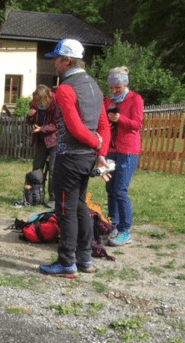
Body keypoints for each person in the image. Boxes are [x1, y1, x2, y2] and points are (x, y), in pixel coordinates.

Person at [39, 38, 110, 276]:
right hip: (88, 157)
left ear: (67, 60)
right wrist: (100, 152)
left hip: (70, 157)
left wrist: (96, 143)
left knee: (66, 210)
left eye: (57, 60)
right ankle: (85, 259)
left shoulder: (66, 89)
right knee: (80, 206)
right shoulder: (94, 87)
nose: (54, 64)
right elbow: (104, 125)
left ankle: (67, 262)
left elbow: (74, 128)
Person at [103, 66, 144, 247]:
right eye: (111, 87)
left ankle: (125, 230)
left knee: (120, 191)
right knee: (110, 190)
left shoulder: (135, 99)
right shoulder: (107, 101)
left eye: (117, 87)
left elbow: (137, 124)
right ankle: (113, 224)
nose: (113, 91)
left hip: (128, 150)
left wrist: (120, 119)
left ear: (125, 84)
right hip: (111, 150)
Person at [27, 84, 58, 208]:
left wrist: (42, 128)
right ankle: (35, 195)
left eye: (39, 100)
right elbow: (31, 121)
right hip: (40, 140)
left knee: (53, 170)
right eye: (36, 101)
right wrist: (31, 116)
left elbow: (57, 125)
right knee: (37, 169)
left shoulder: (56, 104)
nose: (37, 103)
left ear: (46, 97)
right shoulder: (35, 103)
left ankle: (53, 198)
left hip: (54, 141)